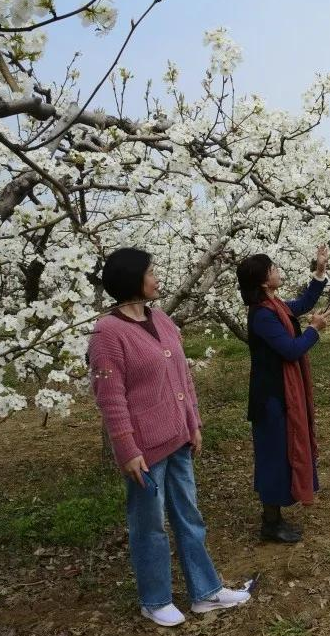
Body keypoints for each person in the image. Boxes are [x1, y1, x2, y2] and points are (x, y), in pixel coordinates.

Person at [89, 247, 250, 627]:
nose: (158, 276)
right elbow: (110, 398)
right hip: (144, 449)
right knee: (149, 525)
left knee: (189, 516)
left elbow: (183, 378)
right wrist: (126, 448)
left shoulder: (161, 319)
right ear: (132, 279)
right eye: (151, 271)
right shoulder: (107, 333)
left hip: (178, 438)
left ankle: (205, 591)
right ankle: (155, 598)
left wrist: (193, 423)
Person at [236, 246, 330, 544]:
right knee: (273, 458)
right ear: (264, 281)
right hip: (271, 398)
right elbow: (291, 350)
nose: (278, 270)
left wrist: (319, 271)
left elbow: (302, 303)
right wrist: (314, 330)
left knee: (280, 455)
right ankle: (270, 523)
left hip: (279, 394)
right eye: (273, 268)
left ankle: (274, 519)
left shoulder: (275, 307)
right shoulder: (263, 315)